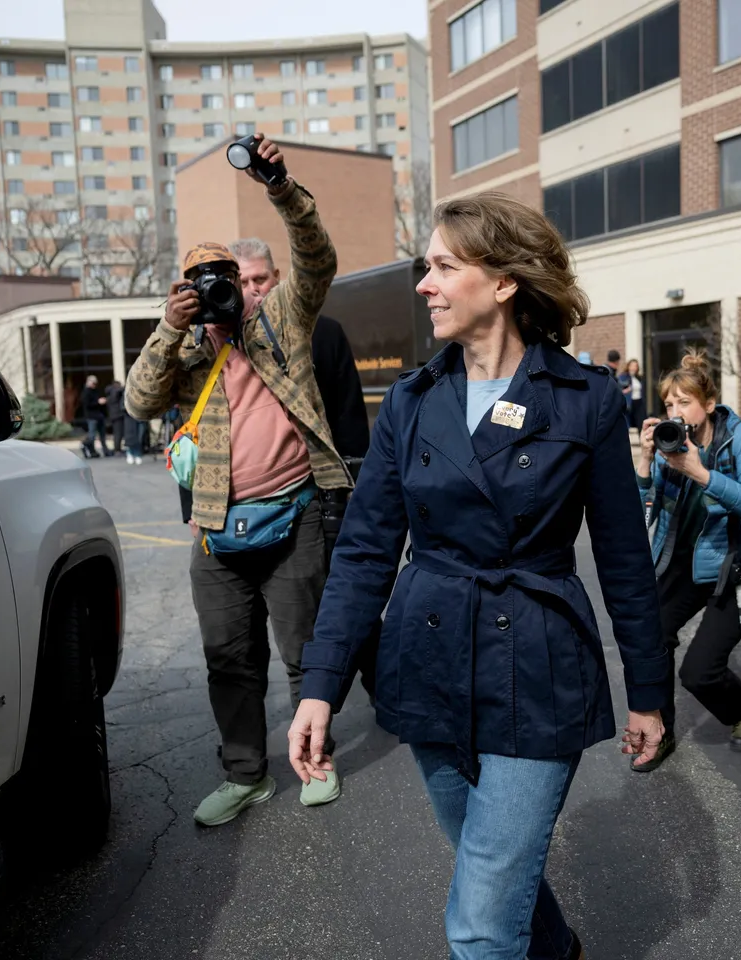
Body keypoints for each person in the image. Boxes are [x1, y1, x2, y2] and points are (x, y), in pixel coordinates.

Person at [289, 192, 670, 960]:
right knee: (488, 866)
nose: (424, 284)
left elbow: (626, 563)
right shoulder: (411, 402)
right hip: (427, 661)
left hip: (537, 665)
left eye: (442, 266)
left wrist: (649, 693)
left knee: (481, 925)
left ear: (502, 281)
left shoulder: (586, 399)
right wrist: (320, 685)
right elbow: (364, 553)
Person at [124, 136, 353, 826]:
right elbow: (139, 403)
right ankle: (246, 775)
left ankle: (315, 760)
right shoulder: (187, 347)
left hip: (295, 515)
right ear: (185, 292)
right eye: (203, 283)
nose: (222, 291)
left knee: (303, 654)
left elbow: (317, 257)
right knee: (229, 659)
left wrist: (279, 185)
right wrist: (169, 329)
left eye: (227, 277)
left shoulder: (279, 318)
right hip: (215, 530)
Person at [228, 236, 377, 699]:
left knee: (346, 604)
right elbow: (195, 432)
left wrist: (354, 496)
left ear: (277, 278)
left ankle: (384, 691)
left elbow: (349, 420)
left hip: (321, 502)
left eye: (260, 278)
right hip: (242, 516)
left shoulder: (324, 333)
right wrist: (191, 506)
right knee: (252, 631)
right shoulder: (219, 342)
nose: (253, 289)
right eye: (242, 281)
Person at [634, 351, 741, 771]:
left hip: (730, 566)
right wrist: (645, 461)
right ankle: (660, 732)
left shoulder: (740, 436)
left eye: (685, 402)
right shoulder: (668, 444)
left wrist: (699, 471)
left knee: (698, 673)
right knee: (651, 642)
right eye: (669, 404)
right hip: (679, 563)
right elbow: (640, 518)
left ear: (709, 404)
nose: (675, 413)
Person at [79, 374, 106, 458]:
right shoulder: (86, 392)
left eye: (95, 383)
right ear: (88, 382)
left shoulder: (95, 391)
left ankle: (104, 451)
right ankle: (87, 448)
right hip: (91, 416)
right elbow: (87, 404)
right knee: (92, 436)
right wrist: (98, 402)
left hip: (99, 416)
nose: (94, 385)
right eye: (93, 383)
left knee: (102, 435)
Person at [105, 379, 126, 458]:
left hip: (114, 415)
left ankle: (117, 449)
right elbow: (120, 390)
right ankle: (117, 450)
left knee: (117, 433)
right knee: (118, 434)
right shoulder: (115, 392)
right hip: (117, 415)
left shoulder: (110, 393)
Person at [625, 358, 646, 428]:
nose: (634, 367)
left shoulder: (639, 378)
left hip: (639, 402)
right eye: (632, 365)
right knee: (628, 424)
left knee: (641, 423)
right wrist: (625, 391)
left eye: (636, 366)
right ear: (628, 366)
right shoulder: (624, 377)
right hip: (629, 403)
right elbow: (619, 389)